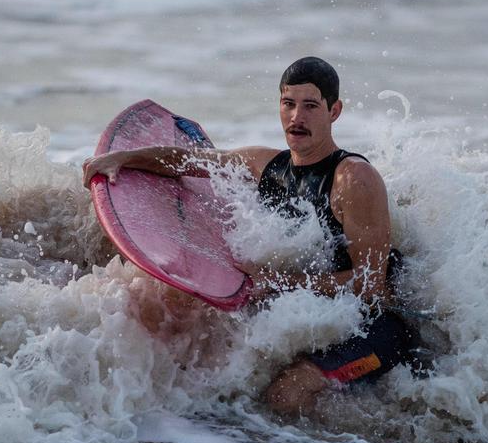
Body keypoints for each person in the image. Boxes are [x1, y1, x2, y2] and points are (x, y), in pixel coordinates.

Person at [82, 57, 427, 417]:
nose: (297, 117)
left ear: (334, 111)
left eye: (311, 106)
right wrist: (123, 158)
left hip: (378, 327)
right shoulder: (267, 166)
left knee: (284, 396)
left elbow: (369, 284)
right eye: (288, 104)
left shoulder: (354, 180)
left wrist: (275, 281)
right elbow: (187, 160)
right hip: (317, 314)